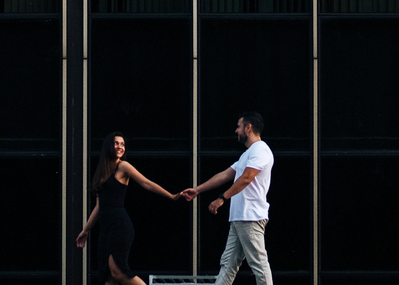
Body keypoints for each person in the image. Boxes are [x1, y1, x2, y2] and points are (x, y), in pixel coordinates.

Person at [76, 131, 181, 285]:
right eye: (116, 143)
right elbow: (99, 206)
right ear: (108, 146)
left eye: (123, 144)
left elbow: (146, 183)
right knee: (108, 278)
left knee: (118, 271)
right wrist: (85, 230)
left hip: (119, 225)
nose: (120, 147)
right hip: (105, 230)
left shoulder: (123, 166)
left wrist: (171, 196)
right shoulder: (101, 173)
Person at [182, 111, 274, 285]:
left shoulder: (260, 150)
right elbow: (225, 175)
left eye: (239, 126)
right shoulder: (247, 154)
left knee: (259, 264)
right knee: (228, 264)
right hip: (239, 218)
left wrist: (222, 198)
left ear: (248, 128)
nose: (236, 131)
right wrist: (197, 190)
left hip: (251, 217)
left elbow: (246, 178)